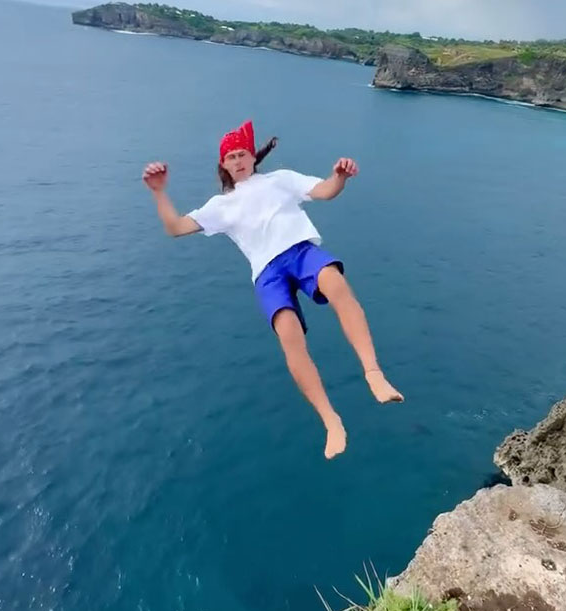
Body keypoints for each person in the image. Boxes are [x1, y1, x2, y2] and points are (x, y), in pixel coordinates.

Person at [142, 120, 403, 459]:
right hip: (267, 272)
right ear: (223, 164)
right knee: (290, 338)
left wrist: (339, 176)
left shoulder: (280, 180)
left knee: (338, 287)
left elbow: (324, 191)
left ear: (253, 157)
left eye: (242, 154)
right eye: (231, 156)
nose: (237, 160)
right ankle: (330, 420)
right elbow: (176, 228)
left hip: (300, 251)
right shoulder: (220, 207)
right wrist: (159, 192)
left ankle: (373, 373)